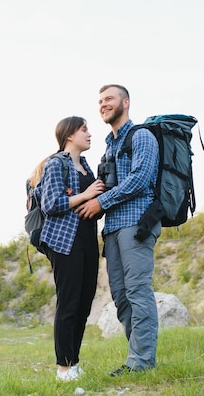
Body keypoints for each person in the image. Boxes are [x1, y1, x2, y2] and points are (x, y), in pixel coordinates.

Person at [76, 84, 161, 376]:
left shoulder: (142, 136)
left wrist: (101, 202)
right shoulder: (109, 145)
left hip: (136, 224)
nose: (103, 104)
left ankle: (141, 362)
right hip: (112, 229)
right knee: (121, 297)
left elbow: (140, 179)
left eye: (109, 99)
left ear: (126, 102)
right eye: (100, 101)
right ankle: (137, 357)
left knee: (138, 291)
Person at [34, 115, 105, 382]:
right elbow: (50, 204)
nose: (89, 134)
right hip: (64, 241)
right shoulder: (55, 164)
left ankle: (73, 363)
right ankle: (63, 368)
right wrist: (86, 195)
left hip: (88, 239)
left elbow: (92, 208)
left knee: (84, 304)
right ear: (69, 135)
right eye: (84, 129)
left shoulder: (86, 167)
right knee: (69, 304)